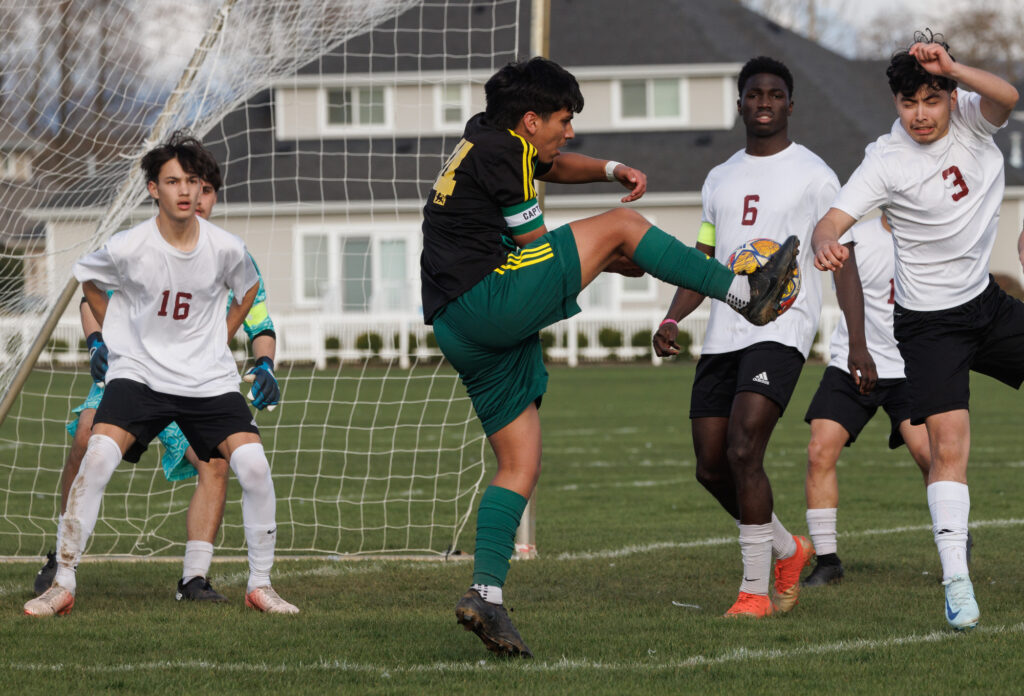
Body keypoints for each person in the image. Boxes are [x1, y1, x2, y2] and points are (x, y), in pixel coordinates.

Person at [422, 57, 799, 657]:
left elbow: (551, 169)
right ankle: (744, 294)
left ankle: (486, 593)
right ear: (529, 120)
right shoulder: (507, 154)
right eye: (564, 120)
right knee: (624, 226)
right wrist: (618, 245)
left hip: (457, 325)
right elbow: (536, 248)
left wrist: (609, 172)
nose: (569, 132)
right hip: (489, 300)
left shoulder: (485, 136)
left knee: (519, 463)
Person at [24, 131, 296, 616]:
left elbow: (249, 290)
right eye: (173, 181)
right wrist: (115, 337)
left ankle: (260, 585)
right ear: (153, 188)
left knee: (253, 467)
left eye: (193, 181)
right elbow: (87, 278)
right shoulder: (129, 247)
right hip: (140, 377)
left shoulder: (227, 247)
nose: (185, 190)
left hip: (207, 381)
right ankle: (62, 583)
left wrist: (226, 340)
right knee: (98, 454)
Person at [811, 31, 1019, 631]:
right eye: (909, 103)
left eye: (932, 99)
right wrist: (826, 243)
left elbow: (1006, 93)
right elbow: (831, 221)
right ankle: (957, 579)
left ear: (951, 95)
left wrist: (952, 67)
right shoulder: (886, 160)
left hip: (986, 303)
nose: (921, 115)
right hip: (930, 326)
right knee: (949, 449)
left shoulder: (974, 119)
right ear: (896, 105)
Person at [652, 56, 838, 618]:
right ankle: (788, 549)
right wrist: (671, 317)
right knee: (711, 466)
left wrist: (859, 331)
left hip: (781, 329)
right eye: (753, 93)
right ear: (739, 104)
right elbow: (706, 259)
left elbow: (841, 256)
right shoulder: (719, 178)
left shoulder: (815, 174)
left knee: (742, 448)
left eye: (775, 93)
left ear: (789, 103)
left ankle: (754, 592)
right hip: (723, 332)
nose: (763, 101)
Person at [802, 214, 932, 586]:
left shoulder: (930, 232)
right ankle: (828, 561)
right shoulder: (857, 232)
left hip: (911, 367)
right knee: (819, 450)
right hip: (853, 361)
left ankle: (953, 538)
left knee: (929, 455)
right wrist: (858, 348)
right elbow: (846, 283)